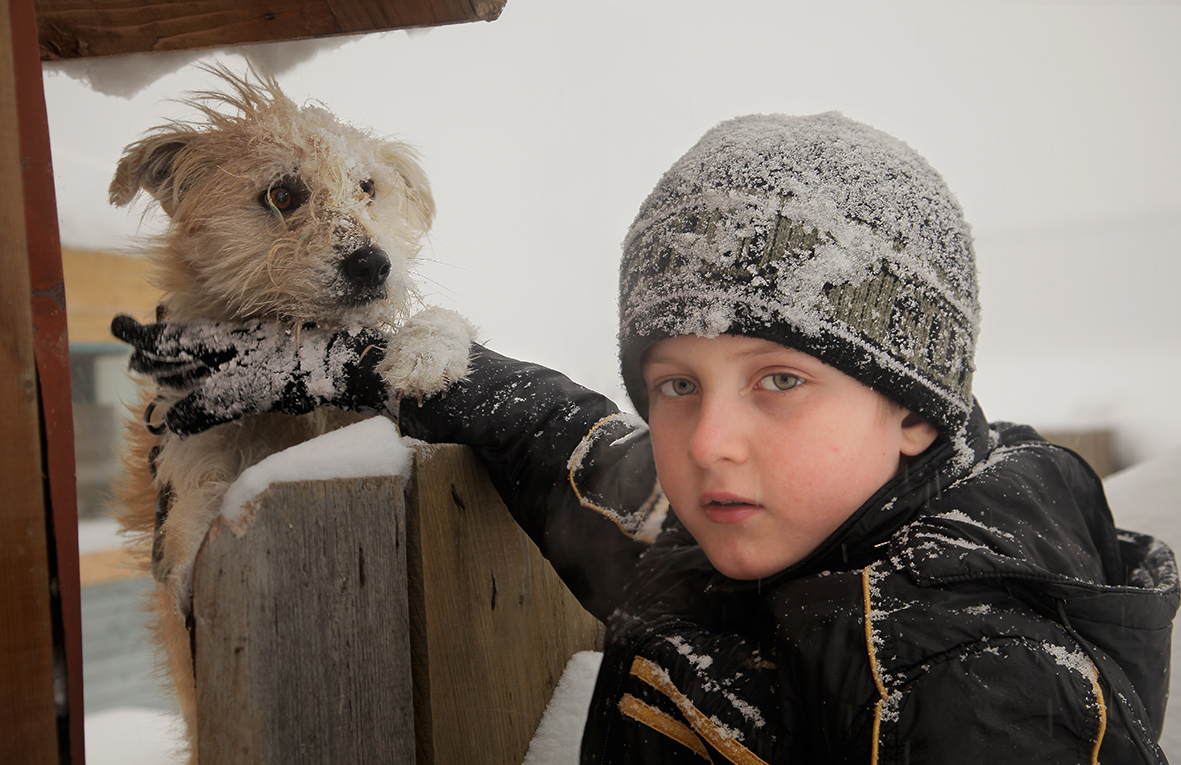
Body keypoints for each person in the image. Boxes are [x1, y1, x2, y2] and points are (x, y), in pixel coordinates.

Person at [114, 112, 1178, 763]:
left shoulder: (986, 685)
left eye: (778, 380)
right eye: (674, 383)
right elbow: (575, 454)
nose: (709, 441)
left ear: (913, 405)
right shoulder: (748, 534)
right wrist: (388, 368)